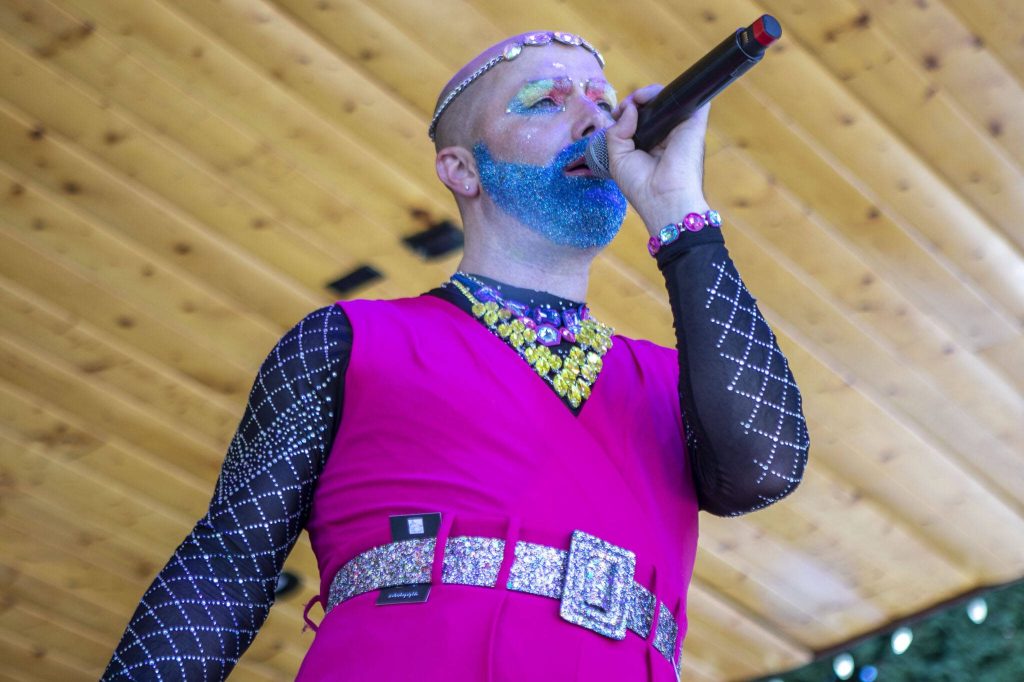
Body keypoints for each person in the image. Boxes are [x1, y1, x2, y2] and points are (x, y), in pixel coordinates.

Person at [102, 31, 809, 681]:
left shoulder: (671, 381)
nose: (596, 121)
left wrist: (680, 211)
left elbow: (767, 470)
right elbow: (224, 569)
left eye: (602, 100)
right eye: (546, 101)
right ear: (463, 170)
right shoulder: (348, 340)